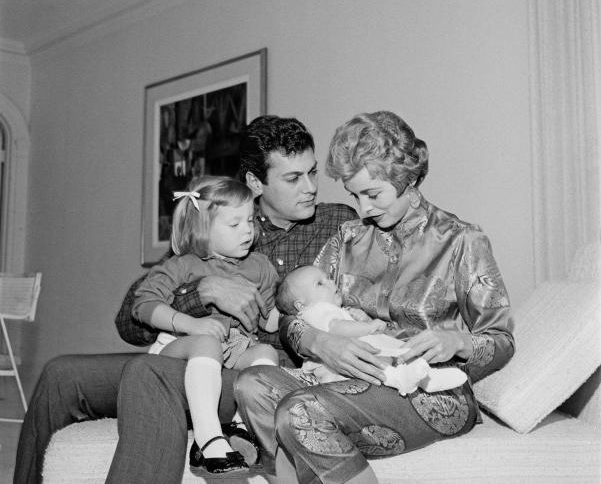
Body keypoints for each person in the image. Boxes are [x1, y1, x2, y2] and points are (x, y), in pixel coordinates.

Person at [14, 115, 356, 484]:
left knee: (150, 372)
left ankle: (214, 441)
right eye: (293, 178)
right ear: (255, 183)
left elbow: (345, 312)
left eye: (312, 172)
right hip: (191, 354)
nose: (310, 188)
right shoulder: (215, 222)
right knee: (60, 374)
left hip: (252, 372)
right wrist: (201, 293)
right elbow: (130, 322)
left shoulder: (339, 224)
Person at [234, 111, 515, 484]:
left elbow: (502, 340)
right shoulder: (347, 238)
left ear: (408, 178)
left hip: (428, 390)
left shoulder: (461, 241)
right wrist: (321, 342)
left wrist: (457, 341)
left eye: (372, 194)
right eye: (355, 195)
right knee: (251, 384)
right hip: (344, 384)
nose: (363, 209)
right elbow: (292, 315)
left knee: (299, 410)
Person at [134, 176, 281, 474]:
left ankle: (242, 428)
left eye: (250, 220)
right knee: (208, 342)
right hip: (179, 348)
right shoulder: (183, 264)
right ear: (203, 228)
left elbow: (270, 320)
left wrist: (311, 310)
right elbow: (143, 305)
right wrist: (190, 324)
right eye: (234, 224)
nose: (247, 230)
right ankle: (207, 438)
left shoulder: (260, 266)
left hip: (234, 349)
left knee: (266, 352)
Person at [276, 265, 467, 395]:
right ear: (301, 305)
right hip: (339, 368)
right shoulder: (315, 311)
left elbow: (342, 322)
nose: (330, 283)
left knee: (390, 356)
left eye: (327, 278)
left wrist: (360, 318)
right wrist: (368, 326)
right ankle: (404, 379)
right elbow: (336, 328)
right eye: (320, 283)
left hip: (353, 359)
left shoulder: (332, 309)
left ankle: (426, 379)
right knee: (379, 364)